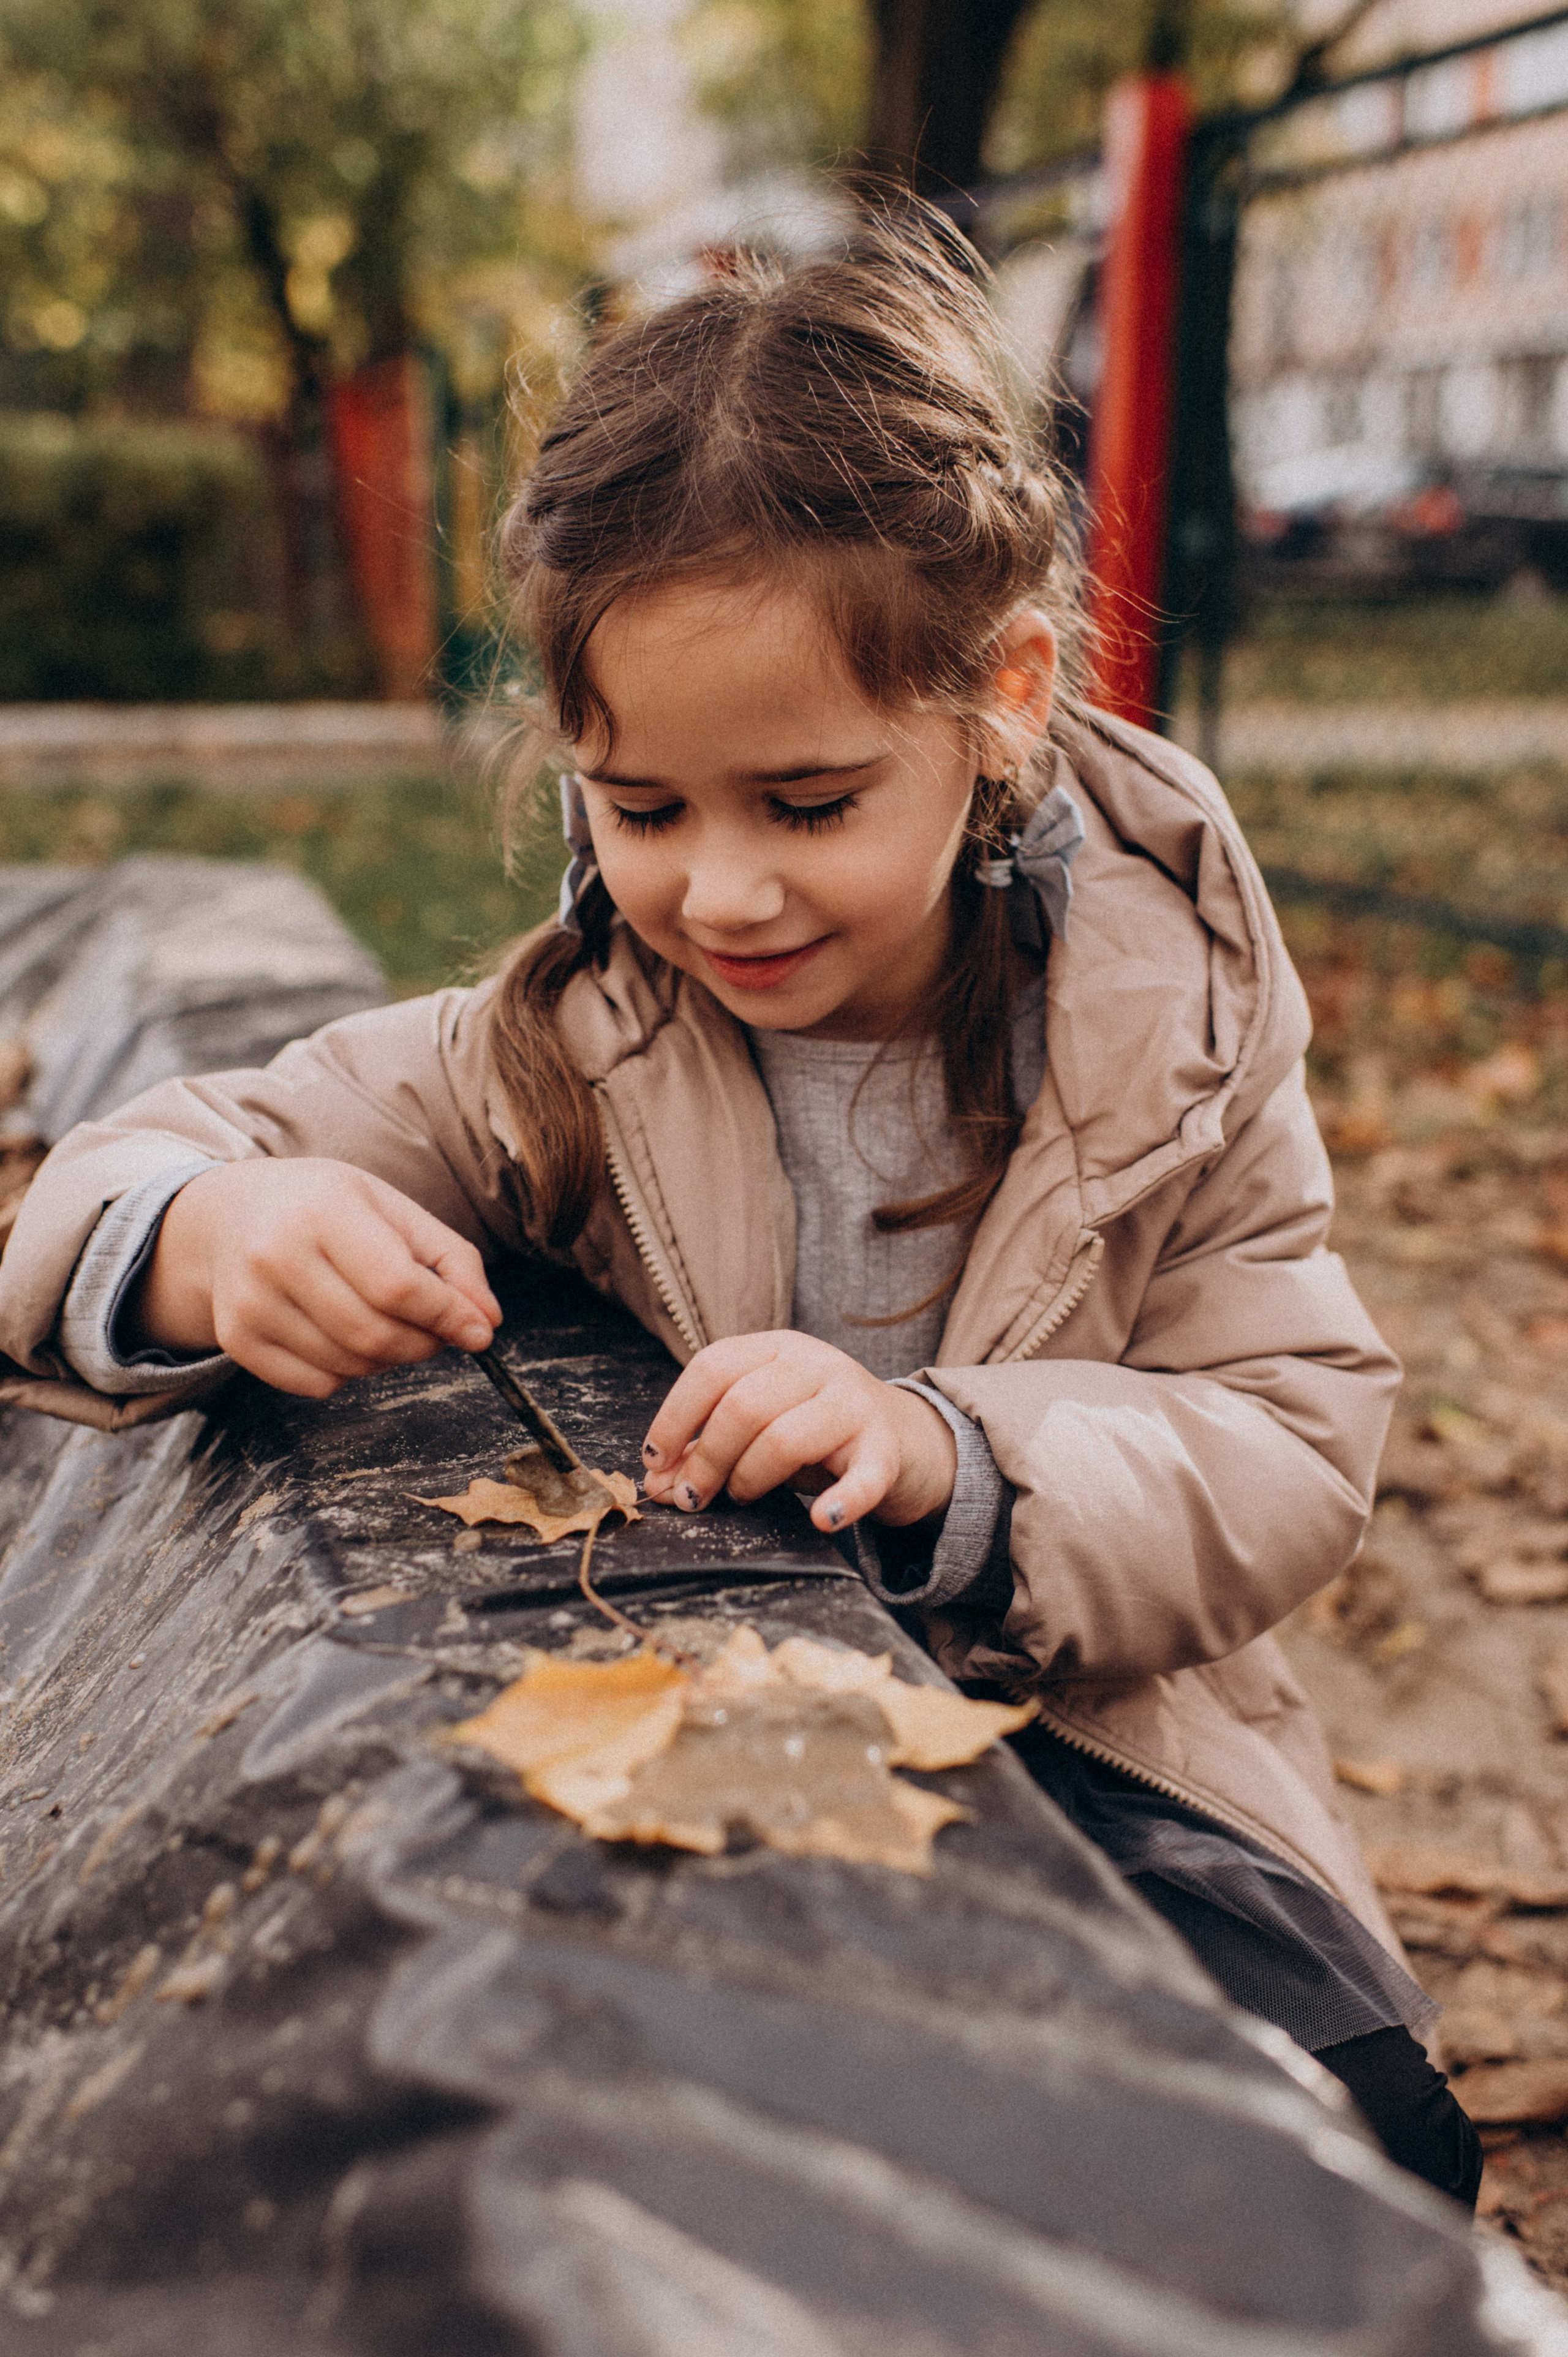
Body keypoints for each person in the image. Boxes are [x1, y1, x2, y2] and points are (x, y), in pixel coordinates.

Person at [0, 206, 1479, 2207]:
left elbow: (1292, 1433)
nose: (725, 894)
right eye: (642, 810)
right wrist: (207, 1237)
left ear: (1006, 697)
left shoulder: (1172, 1037)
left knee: (1318, 2143)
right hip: (710, 1739)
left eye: (808, 804)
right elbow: (148, 1156)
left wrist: (950, 1453)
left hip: (1104, 1743)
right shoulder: (559, 1050)